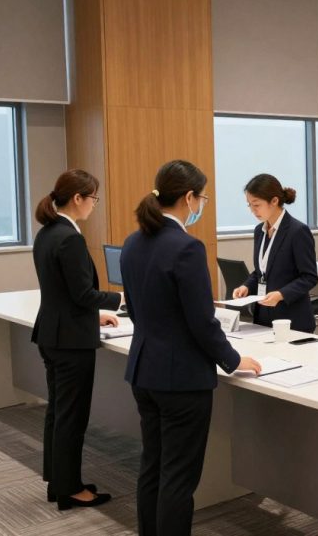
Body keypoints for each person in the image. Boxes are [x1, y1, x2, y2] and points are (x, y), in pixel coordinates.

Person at [121, 160, 261, 536]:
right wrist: (233, 360)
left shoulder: (133, 242)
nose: (201, 204)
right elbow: (202, 322)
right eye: (201, 197)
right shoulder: (186, 247)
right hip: (181, 380)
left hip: (144, 371)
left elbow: (134, 310)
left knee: (153, 464)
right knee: (178, 478)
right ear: (188, 197)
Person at [31, 170, 121, 510]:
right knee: (72, 417)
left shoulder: (47, 233)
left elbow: (62, 292)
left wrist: (93, 314)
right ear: (78, 198)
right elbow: (83, 293)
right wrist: (118, 301)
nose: (94, 205)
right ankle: (70, 490)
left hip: (53, 333)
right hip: (71, 342)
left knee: (58, 412)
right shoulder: (69, 237)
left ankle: (58, 482)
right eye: (93, 198)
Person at [232, 174, 318, 333]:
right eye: (249, 205)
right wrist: (246, 286)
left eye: (256, 205)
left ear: (274, 201)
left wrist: (281, 294)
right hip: (263, 318)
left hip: (292, 319)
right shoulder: (260, 231)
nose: (252, 210)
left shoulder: (297, 231)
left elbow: (309, 277)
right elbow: (261, 272)